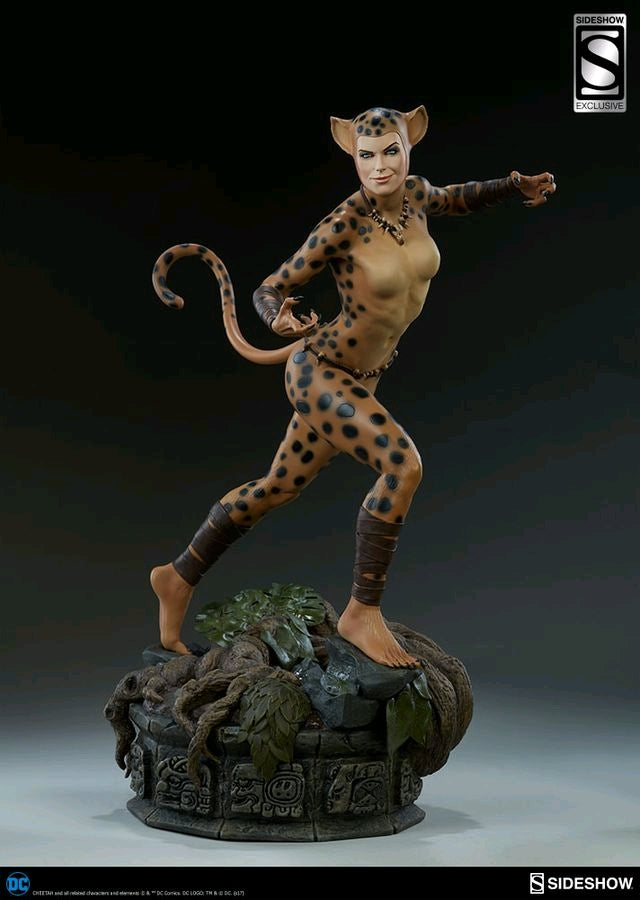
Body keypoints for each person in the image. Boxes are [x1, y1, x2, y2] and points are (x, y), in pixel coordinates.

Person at [150, 105, 556, 668]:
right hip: (321, 371)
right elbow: (271, 286)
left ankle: (176, 576)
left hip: (363, 377)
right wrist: (275, 319)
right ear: (353, 157)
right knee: (402, 466)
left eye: (391, 151)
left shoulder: (417, 196)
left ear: (409, 146)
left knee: (277, 487)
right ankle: (362, 612)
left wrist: (513, 186)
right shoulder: (343, 224)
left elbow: (459, 197)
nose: (380, 166)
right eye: (367, 155)